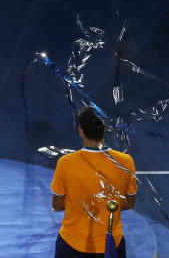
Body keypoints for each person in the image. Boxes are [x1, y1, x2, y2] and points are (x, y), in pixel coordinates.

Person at [50, 106, 136, 258]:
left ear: (80, 131)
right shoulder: (126, 161)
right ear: (105, 128)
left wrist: (78, 203)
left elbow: (56, 205)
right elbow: (129, 203)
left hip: (71, 245)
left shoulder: (65, 162)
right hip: (111, 245)